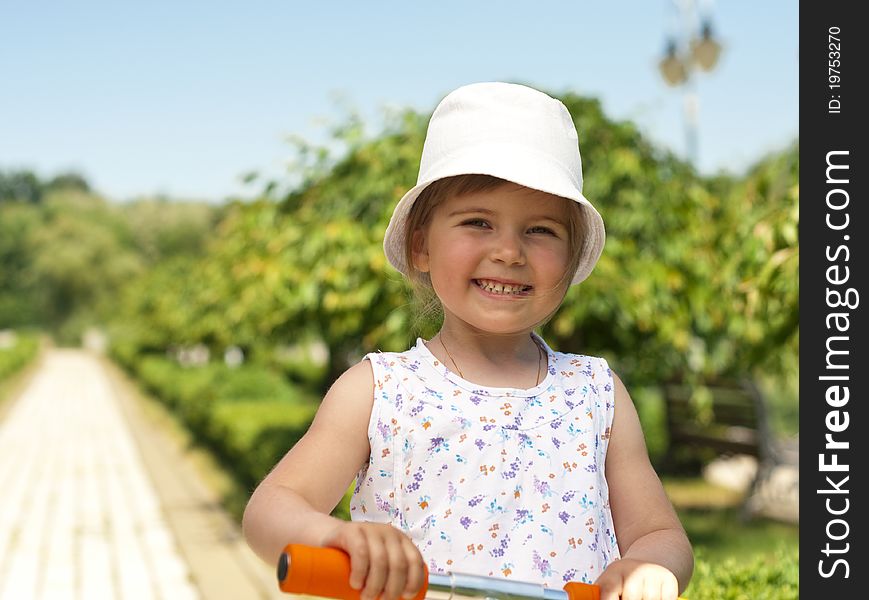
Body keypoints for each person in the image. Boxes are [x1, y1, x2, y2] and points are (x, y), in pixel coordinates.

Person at [243, 82, 693, 600]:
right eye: (478, 222)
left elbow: (660, 534)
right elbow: (270, 507)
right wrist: (337, 536)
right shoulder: (380, 390)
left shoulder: (595, 393)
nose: (508, 251)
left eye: (541, 230)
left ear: (571, 261)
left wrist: (649, 570)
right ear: (421, 246)